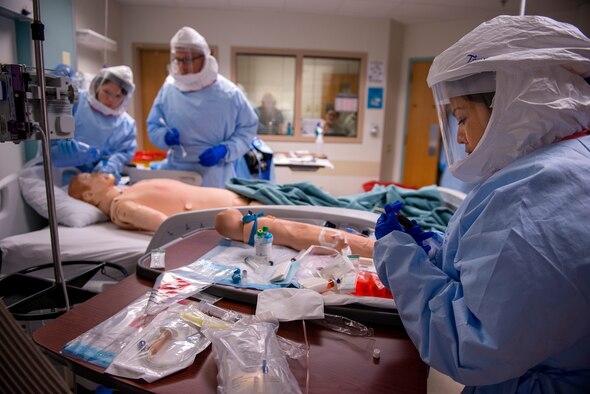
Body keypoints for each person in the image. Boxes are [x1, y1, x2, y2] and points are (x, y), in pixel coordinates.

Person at [373, 15, 590, 393]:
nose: (459, 133)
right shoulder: (566, 162)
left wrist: (399, 259)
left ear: (510, 106)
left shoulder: (533, 189)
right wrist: (434, 250)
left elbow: (468, 342)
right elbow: (503, 276)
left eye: (462, 116)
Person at [147, 26, 258, 188]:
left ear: (205, 57)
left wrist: (225, 150)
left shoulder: (228, 93)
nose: (183, 66)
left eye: (189, 60)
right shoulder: (169, 88)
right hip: (177, 170)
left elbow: (248, 128)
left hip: (214, 174)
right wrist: (164, 136)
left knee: (211, 212)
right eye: (178, 60)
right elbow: (153, 124)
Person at [68, 172, 263, 232]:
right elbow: (164, 224)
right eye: (87, 177)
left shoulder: (127, 191)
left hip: (245, 200)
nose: (95, 172)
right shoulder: (121, 207)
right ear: (89, 196)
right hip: (244, 212)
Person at [51, 66, 137, 185]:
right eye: (106, 92)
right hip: (60, 173)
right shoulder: (76, 101)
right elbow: (53, 126)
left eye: (118, 96)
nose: (111, 99)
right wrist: (60, 142)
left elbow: (123, 153)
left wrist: (108, 168)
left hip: (95, 180)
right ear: (97, 86)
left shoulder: (127, 124)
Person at [215, 208, 374, 258]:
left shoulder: (249, 231)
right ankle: (373, 249)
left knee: (325, 236)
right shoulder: (255, 225)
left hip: (295, 236)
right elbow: (295, 232)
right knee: (328, 238)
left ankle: (372, 249)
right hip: (297, 235)